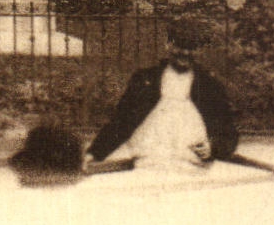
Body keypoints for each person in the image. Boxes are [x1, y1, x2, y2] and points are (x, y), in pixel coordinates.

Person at [86, 22, 238, 171]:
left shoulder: (209, 86)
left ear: (199, 51)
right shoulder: (146, 79)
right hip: (149, 162)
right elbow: (122, 121)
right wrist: (94, 153)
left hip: (193, 165)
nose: (185, 53)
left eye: (191, 48)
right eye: (179, 46)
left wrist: (213, 147)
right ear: (168, 45)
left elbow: (227, 129)